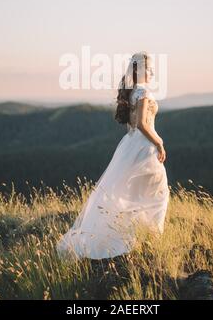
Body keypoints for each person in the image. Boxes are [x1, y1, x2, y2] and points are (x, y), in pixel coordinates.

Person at [57, 51, 169, 260]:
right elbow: (144, 124)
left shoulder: (132, 92)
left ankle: (134, 235)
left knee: (133, 191)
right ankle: (150, 239)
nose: (153, 73)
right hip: (144, 147)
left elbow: (132, 126)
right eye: (150, 69)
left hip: (131, 144)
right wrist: (159, 142)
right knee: (157, 194)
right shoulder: (144, 92)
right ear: (139, 70)